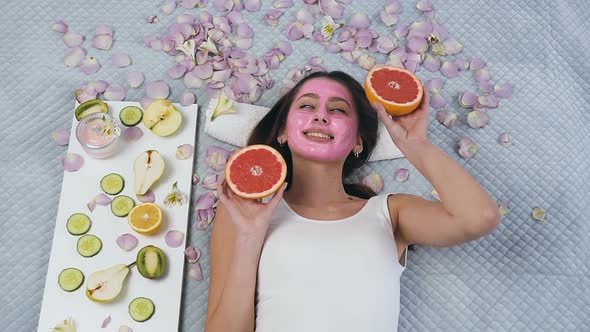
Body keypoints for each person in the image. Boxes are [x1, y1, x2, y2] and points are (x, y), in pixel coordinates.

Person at [205, 71, 501, 332]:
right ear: (283, 131)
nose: (320, 115)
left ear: (358, 141)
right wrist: (249, 237)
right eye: (307, 105)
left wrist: (416, 145)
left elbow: (479, 217)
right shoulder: (244, 212)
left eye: (338, 110)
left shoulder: (389, 213)